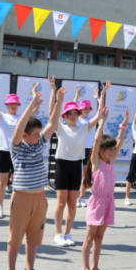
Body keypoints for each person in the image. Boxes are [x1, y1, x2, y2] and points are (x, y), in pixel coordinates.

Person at [5, 87, 63, 270]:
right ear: (25, 135)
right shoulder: (17, 148)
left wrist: (59, 100)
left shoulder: (40, 145)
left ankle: (30, 269)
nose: (40, 136)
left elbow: (53, 124)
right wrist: (30, 107)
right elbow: (17, 129)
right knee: (15, 238)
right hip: (21, 198)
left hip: (40, 198)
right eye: (36, 134)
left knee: (34, 238)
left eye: (40, 134)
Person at [51, 80, 106, 247]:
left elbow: (99, 115)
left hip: (76, 166)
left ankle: (68, 233)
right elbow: (52, 116)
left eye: (76, 113)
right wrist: (57, 97)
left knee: (72, 204)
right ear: (65, 116)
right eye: (70, 114)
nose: (73, 116)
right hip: (61, 165)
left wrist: (101, 96)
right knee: (61, 202)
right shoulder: (59, 127)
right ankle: (58, 233)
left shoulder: (83, 127)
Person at [80, 107, 128, 270]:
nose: (113, 152)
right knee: (90, 237)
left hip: (109, 202)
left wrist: (123, 126)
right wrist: (102, 121)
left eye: (113, 150)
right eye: (110, 149)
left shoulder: (110, 162)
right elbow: (96, 140)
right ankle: (84, 268)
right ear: (101, 150)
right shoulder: (96, 163)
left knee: (99, 237)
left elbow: (120, 142)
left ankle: (95, 266)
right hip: (97, 203)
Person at [0, 77, 19, 219]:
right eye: (10, 103)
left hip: (18, 151)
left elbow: (33, 112)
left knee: (17, 181)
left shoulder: (21, 117)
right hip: (3, 151)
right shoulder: (2, 117)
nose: (13, 105)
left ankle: (15, 207)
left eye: (15, 103)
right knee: (2, 181)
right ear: (7, 105)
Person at [75, 86, 99, 208]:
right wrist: (76, 97)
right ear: (80, 109)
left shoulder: (91, 120)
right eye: (84, 108)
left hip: (88, 149)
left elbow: (101, 113)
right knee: (74, 174)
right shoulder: (75, 120)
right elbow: (71, 109)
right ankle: (74, 197)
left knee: (85, 175)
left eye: (88, 108)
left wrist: (99, 99)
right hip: (76, 148)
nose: (87, 110)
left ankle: (82, 197)